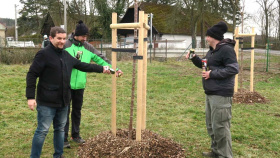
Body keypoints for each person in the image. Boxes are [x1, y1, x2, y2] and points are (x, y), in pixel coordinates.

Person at [26, 26, 111, 158]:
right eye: (59, 38)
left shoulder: (66, 55)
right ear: (51, 38)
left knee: (60, 130)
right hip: (47, 102)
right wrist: (30, 97)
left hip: (63, 101)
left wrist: (103, 68)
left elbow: (84, 66)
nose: (62, 41)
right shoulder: (43, 54)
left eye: (64, 39)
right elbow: (32, 74)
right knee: (42, 131)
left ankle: (59, 155)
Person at [63, 20, 123, 148]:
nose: (85, 38)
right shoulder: (65, 45)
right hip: (65, 85)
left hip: (80, 85)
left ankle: (76, 135)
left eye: (86, 36)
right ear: (76, 35)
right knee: (64, 112)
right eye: (83, 36)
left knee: (77, 111)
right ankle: (63, 138)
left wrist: (115, 69)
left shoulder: (87, 47)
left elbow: (101, 59)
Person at [186, 21, 239, 158]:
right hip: (210, 93)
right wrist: (194, 58)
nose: (206, 38)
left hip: (221, 94)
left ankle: (225, 155)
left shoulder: (226, 49)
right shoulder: (212, 51)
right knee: (212, 126)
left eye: (207, 36)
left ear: (212, 37)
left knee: (221, 126)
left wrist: (212, 74)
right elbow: (205, 64)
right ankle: (216, 152)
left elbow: (233, 69)